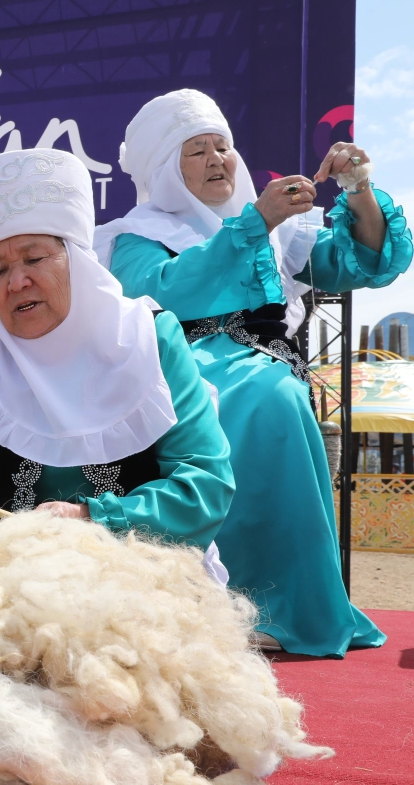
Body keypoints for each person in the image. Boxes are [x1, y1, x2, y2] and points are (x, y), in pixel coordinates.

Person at [92, 89, 413, 657]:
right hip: (175, 364)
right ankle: (202, 603)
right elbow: (164, 290)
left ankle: (279, 605)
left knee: (274, 393)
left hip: (264, 364)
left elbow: (362, 261)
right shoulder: (134, 234)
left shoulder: (285, 231)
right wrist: (254, 222)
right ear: (166, 168)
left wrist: (357, 187)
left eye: (224, 146)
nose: (218, 159)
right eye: (197, 150)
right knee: (237, 401)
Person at [0, 150, 234, 558]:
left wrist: (90, 520)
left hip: (140, 575)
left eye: (34, 258)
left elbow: (204, 484)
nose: (17, 281)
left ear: (76, 261)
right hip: (13, 586)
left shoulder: (149, 338)